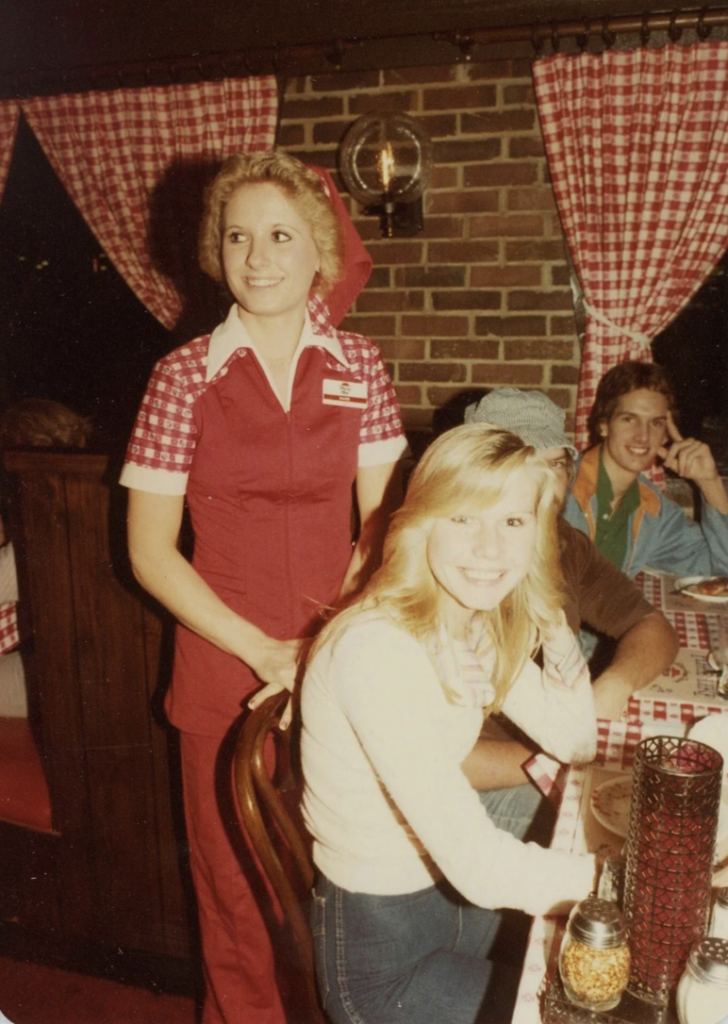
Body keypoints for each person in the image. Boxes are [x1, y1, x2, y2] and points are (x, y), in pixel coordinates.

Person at [120, 151, 408, 1024]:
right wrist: (261, 651)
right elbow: (149, 551)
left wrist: (320, 647)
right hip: (220, 675)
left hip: (342, 667)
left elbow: (384, 526)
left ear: (318, 248)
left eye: (280, 234)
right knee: (237, 905)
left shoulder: (361, 365)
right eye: (238, 236)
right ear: (216, 251)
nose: (258, 255)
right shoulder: (182, 378)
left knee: (348, 890)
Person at [301, 424, 599, 1024]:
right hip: (383, 959)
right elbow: (482, 867)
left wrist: (551, 621)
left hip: (454, 904)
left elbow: (576, 740)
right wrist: (629, 884)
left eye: (513, 523)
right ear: (420, 523)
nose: (490, 549)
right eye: (463, 518)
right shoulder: (377, 649)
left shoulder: (466, 618)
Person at [464, 388, 679, 721]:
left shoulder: (563, 542)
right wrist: (556, 749)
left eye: (556, 464)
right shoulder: (452, 555)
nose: (547, 481)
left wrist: (613, 685)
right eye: (527, 463)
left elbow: (651, 625)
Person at [564, 361, 728, 578]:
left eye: (656, 423)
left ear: (666, 435)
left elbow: (721, 568)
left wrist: (710, 482)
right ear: (604, 425)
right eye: (629, 419)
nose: (643, 436)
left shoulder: (653, 510)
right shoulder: (560, 484)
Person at [0, 399, 94, 718]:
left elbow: (5, 581)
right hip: (70, 661)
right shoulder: (82, 494)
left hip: (73, 680)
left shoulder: (52, 514)